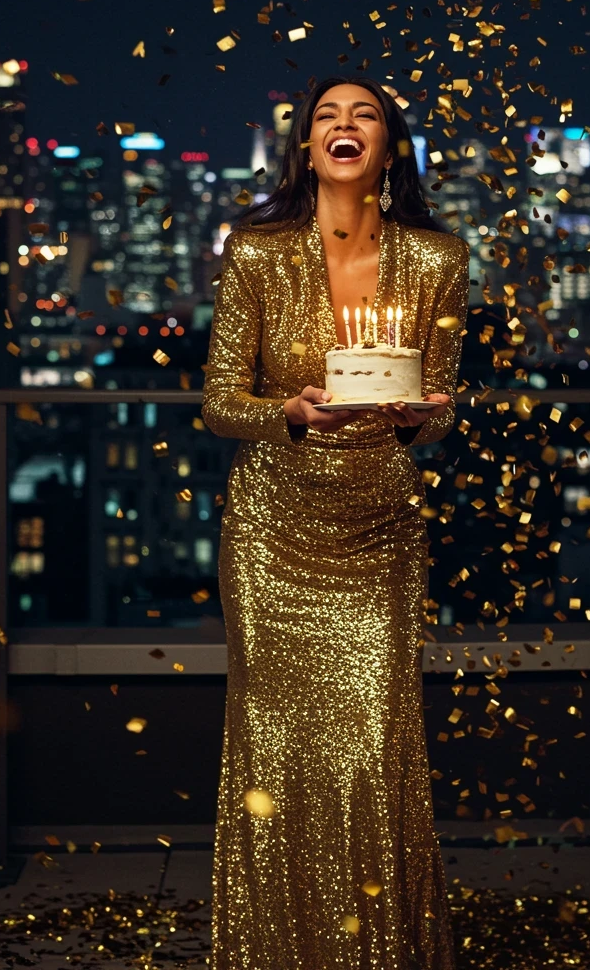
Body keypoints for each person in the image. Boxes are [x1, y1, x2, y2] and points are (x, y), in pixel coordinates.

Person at [202, 76, 470, 969]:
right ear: (305, 147)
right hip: (273, 531)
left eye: (365, 116)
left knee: (373, 747)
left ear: (389, 147)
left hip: (378, 528)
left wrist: (418, 418)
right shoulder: (255, 252)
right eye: (327, 116)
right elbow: (216, 402)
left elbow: (438, 409)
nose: (345, 126)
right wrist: (290, 412)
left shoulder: (438, 260)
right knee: (273, 750)